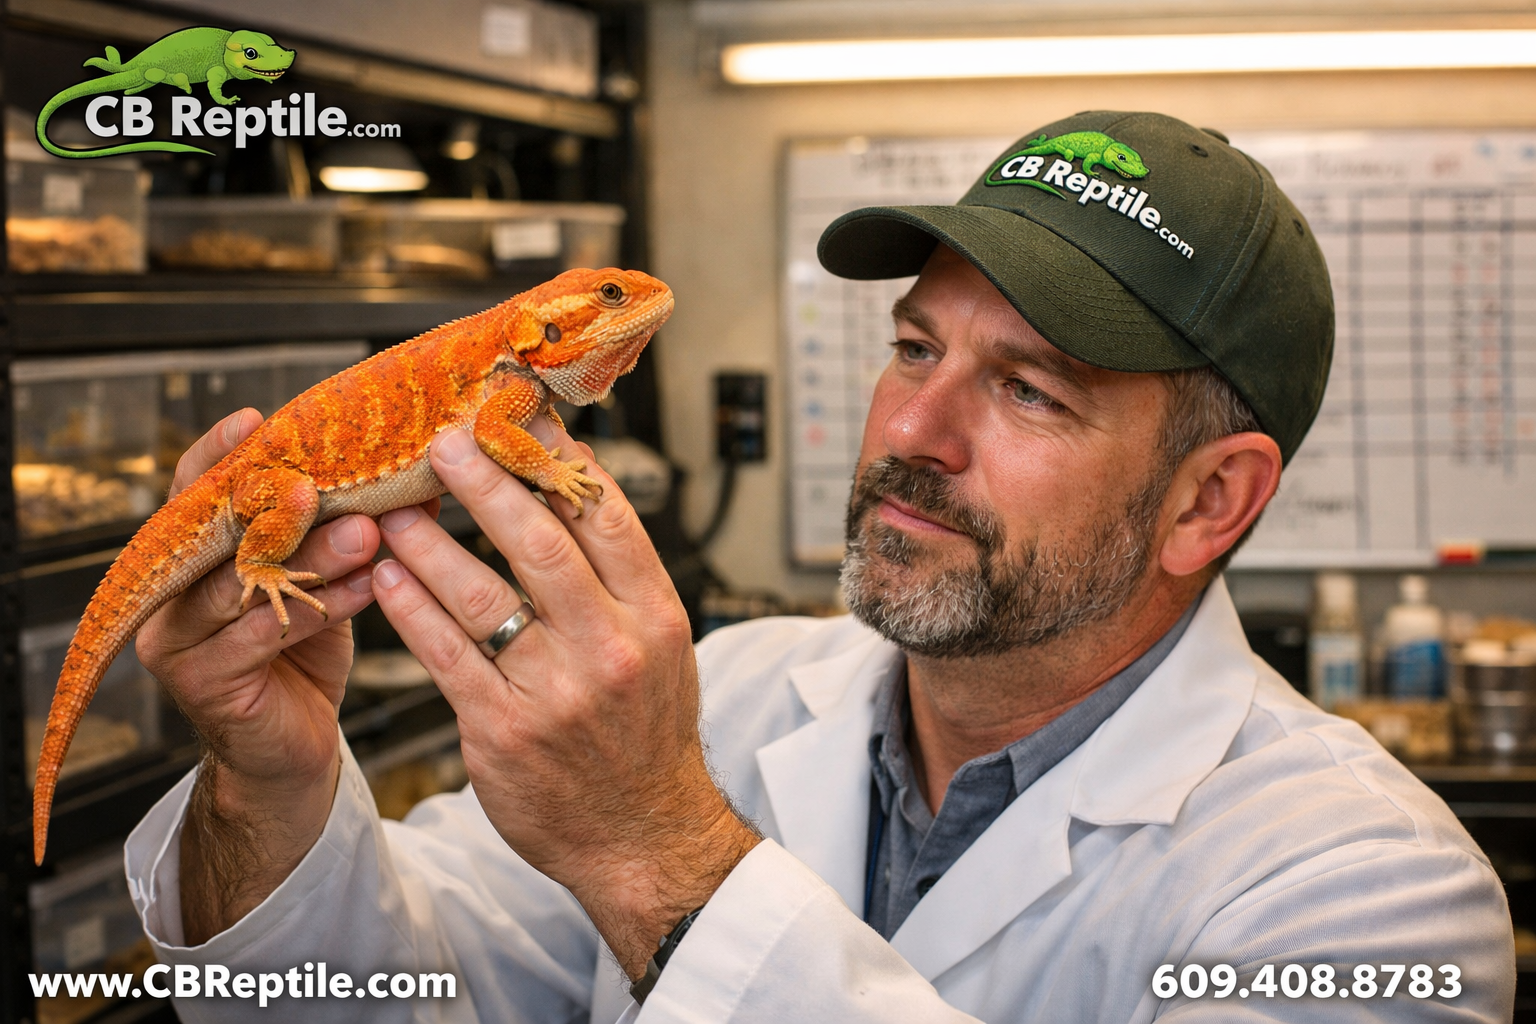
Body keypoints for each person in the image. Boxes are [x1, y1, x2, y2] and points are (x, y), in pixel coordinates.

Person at [124, 112, 1513, 1022]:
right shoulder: (721, 695)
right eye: (915, 349)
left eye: (1030, 390)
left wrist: (656, 849)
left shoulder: (1367, 894)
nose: (910, 430)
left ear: (1210, 501)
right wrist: (269, 785)